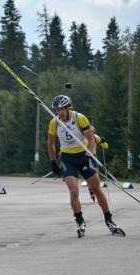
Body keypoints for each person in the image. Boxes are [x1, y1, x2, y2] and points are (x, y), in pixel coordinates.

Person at [48, 95, 123, 238]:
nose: (60, 113)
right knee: (73, 191)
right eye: (57, 110)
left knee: (96, 188)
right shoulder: (54, 122)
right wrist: (53, 161)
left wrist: (87, 156)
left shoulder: (79, 118)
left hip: (84, 155)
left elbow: (91, 139)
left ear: (68, 107)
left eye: (62, 109)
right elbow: (51, 143)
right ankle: (80, 221)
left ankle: (109, 219)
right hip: (67, 158)